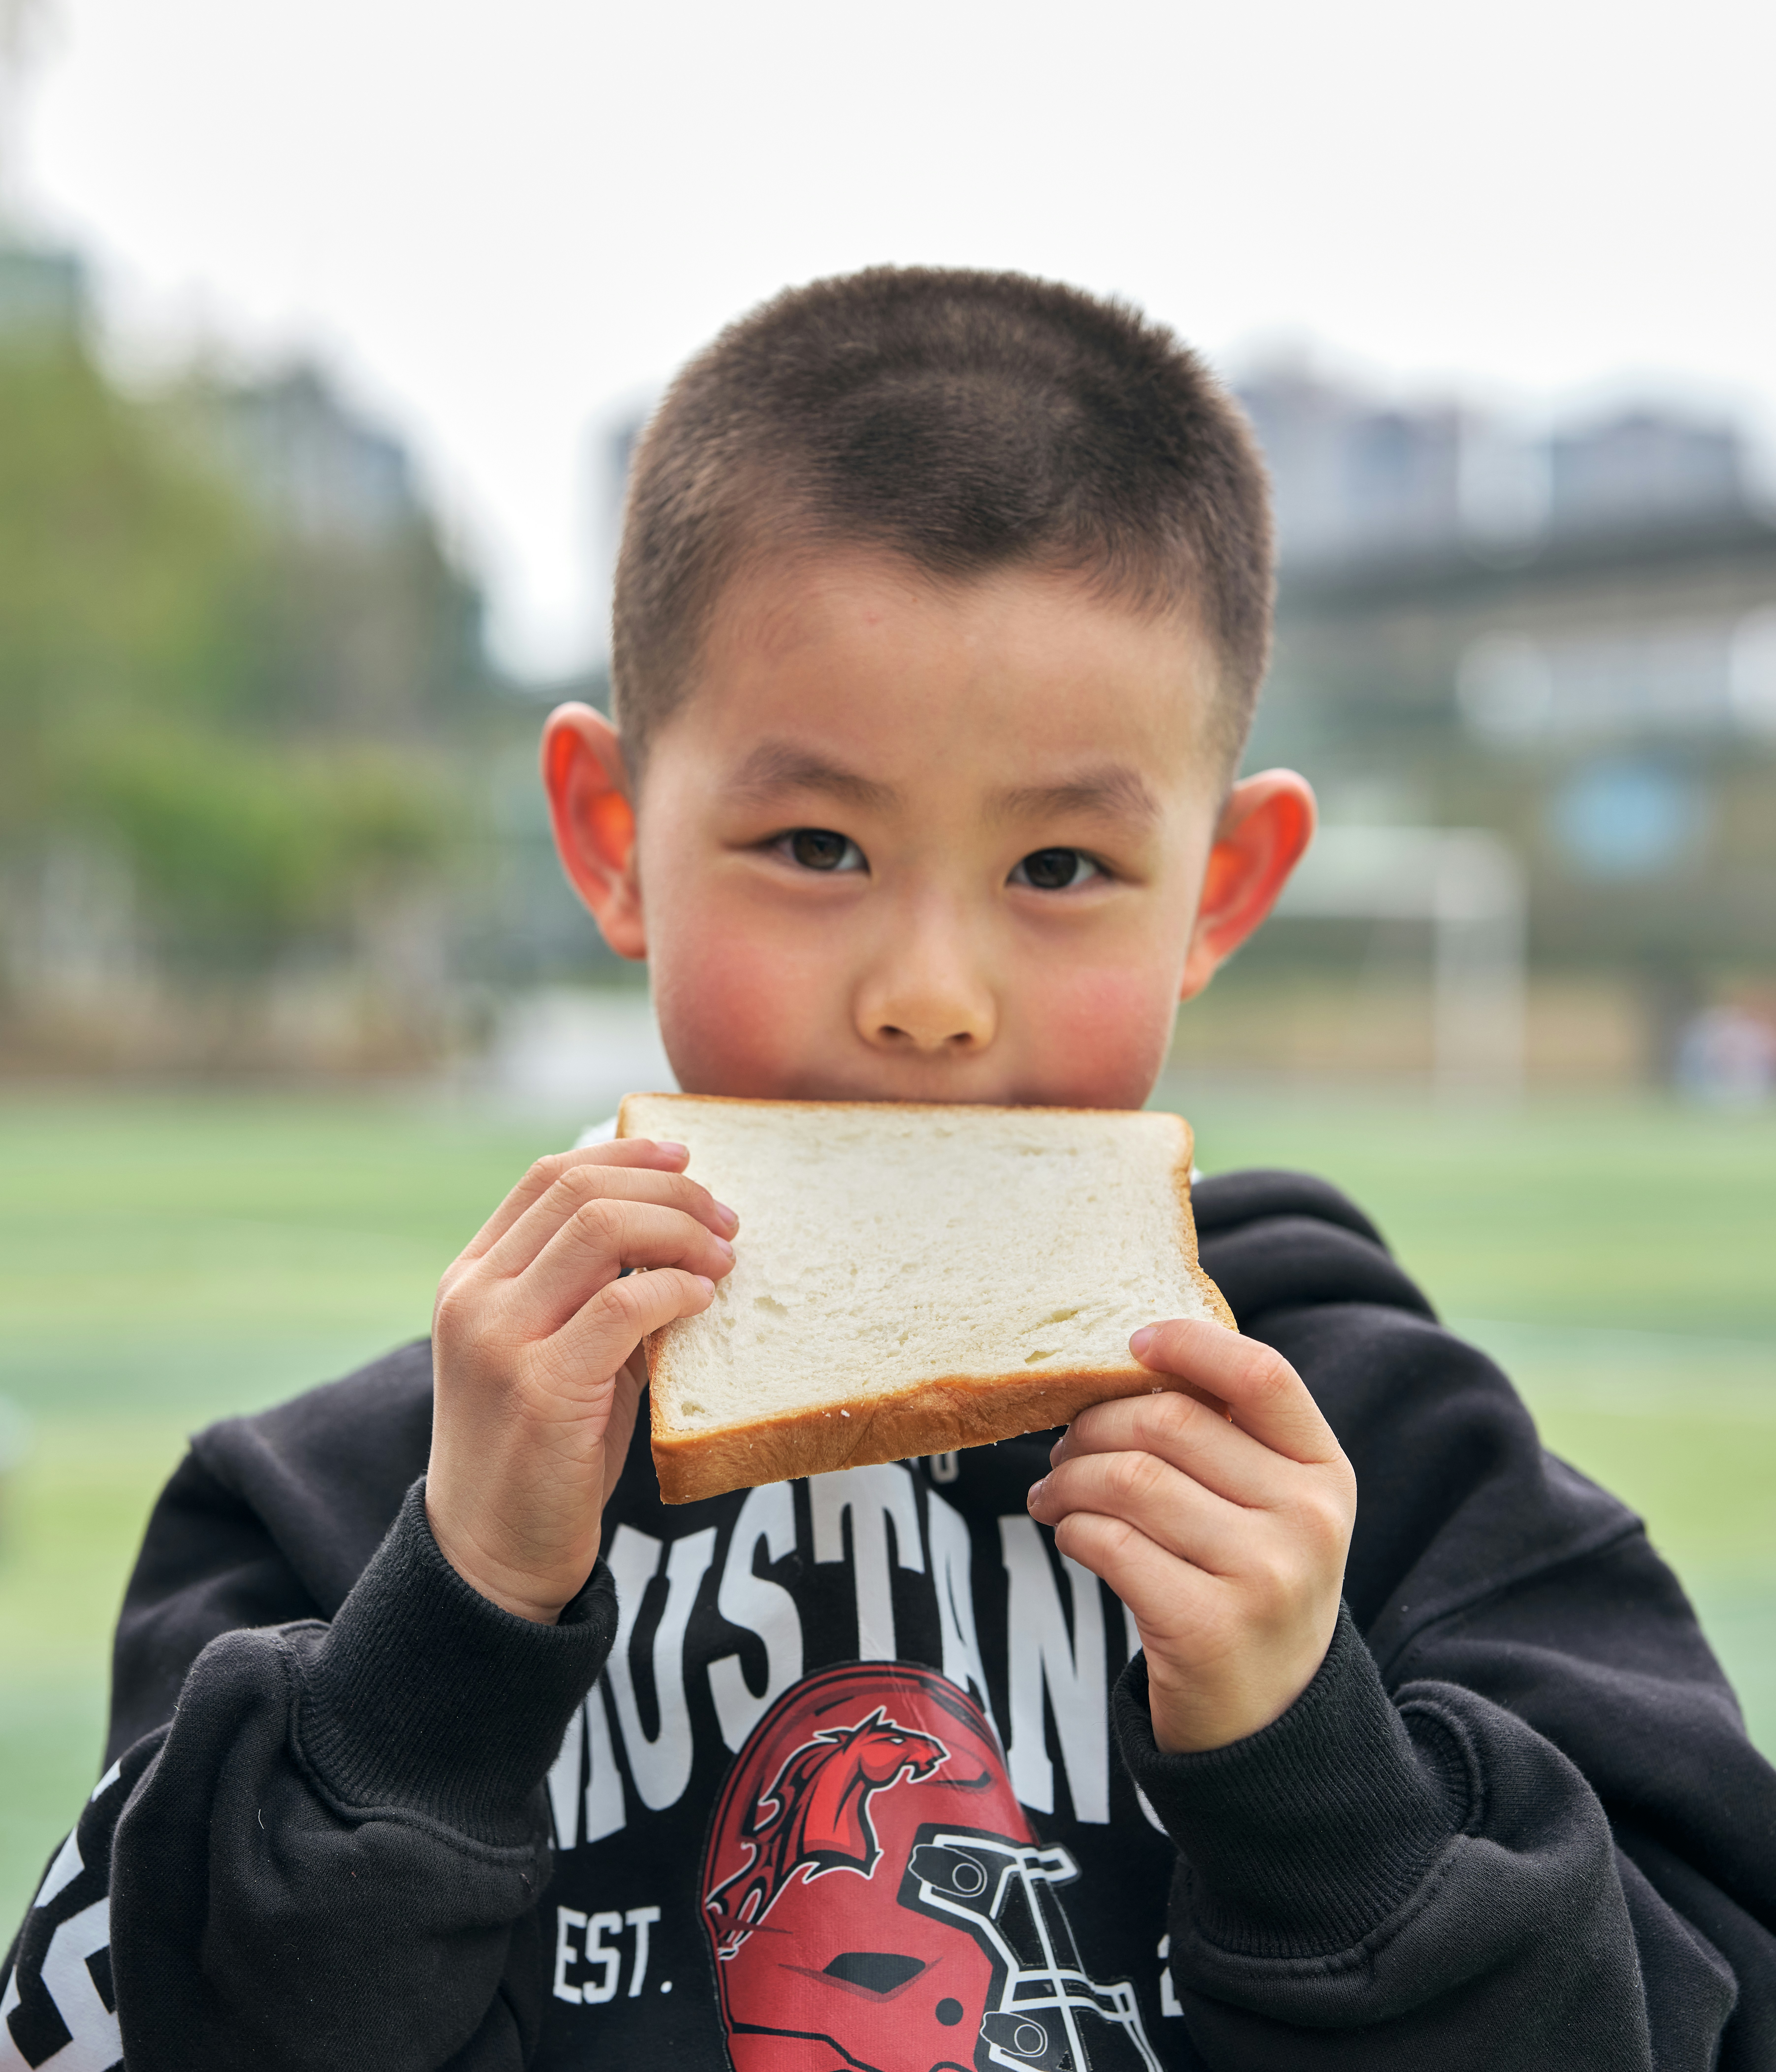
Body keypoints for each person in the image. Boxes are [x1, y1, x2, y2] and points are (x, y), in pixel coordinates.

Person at [4, 268, 1773, 2072]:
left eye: (1062, 867)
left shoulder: (1396, 1472)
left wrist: (1316, 1766)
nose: (930, 995)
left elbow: (1702, 2012)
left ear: (1222, 892)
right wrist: (445, 1628)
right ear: (612, 839)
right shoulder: (339, 1510)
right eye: (816, 842)